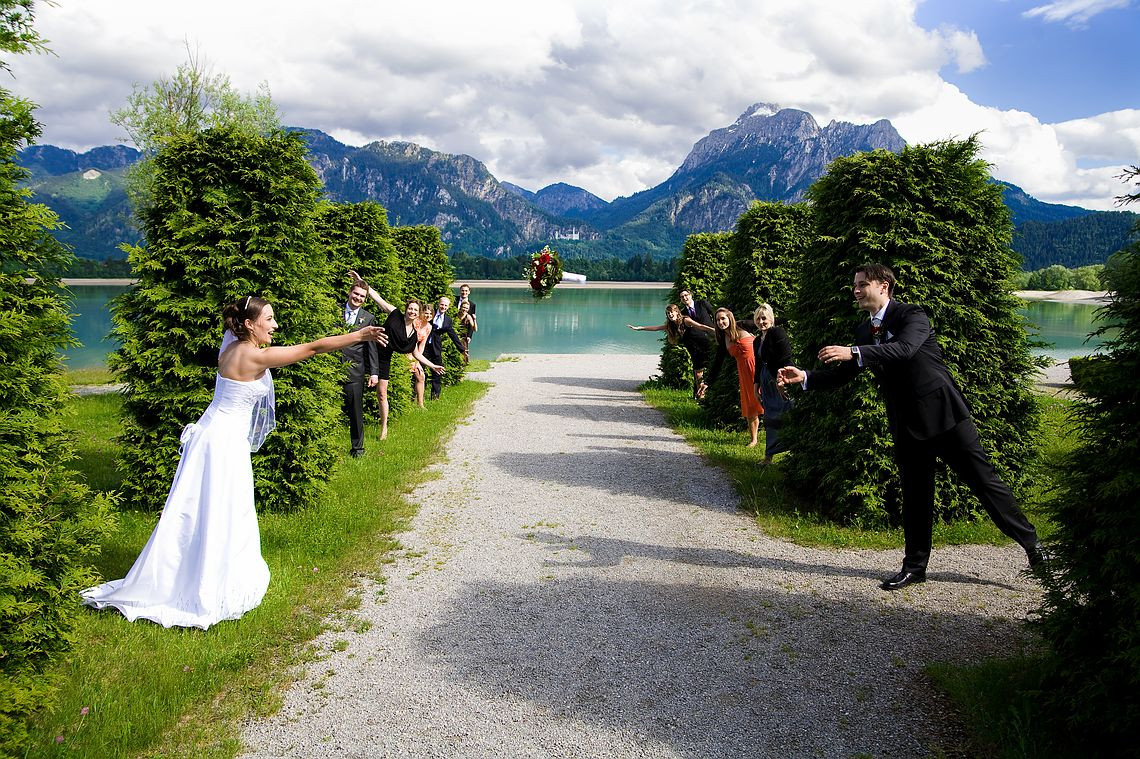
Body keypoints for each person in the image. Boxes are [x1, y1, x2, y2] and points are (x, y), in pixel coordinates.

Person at [81, 295, 387, 629]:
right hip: (224, 443)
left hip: (211, 435)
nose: (275, 325)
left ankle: (192, 571)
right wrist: (359, 335)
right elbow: (312, 348)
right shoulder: (254, 356)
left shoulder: (229, 348)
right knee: (222, 509)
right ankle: (210, 583)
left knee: (199, 509)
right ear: (248, 324)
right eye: (268, 319)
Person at [776, 263, 1047, 590]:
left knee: (984, 482)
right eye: (855, 286)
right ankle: (915, 567)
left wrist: (854, 352)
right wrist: (804, 377)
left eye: (863, 284)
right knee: (917, 496)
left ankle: (1033, 546)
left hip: (945, 416)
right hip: (907, 425)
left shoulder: (911, 315)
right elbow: (843, 374)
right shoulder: (864, 332)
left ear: (884, 287)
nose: (856, 290)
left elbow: (903, 351)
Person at [347, 271, 444, 438]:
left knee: (382, 393)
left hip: (383, 358)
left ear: (418, 313)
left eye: (415, 310)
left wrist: (433, 365)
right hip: (368, 350)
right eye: (410, 308)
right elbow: (379, 300)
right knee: (354, 386)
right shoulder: (395, 315)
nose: (412, 311)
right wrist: (361, 282)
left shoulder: (413, 334)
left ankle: (383, 428)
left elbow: (416, 354)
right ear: (406, 309)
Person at [696, 308, 763, 447]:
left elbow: (766, 323)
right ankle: (754, 439)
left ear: (729, 318)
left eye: (723, 319)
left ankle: (778, 434)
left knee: (769, 401)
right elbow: (717, 364)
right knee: (750, 405)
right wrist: (707, 382)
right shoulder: (723, 340)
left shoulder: (744, 325)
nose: (721, 322)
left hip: (760, 369)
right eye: (718, 320)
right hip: (744, 374)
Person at [628, 304, 710, 397]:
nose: (670, 314)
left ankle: (702, 396)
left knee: (699, 373)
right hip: (693, 350)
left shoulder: (685, 320)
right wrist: (640, 328)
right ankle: (701, 396)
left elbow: (700, 326)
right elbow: (656, 328)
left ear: (676, 312)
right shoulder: (672, 325)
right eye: (668, 313)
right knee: (697, 373)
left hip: (702, 346)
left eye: (671, 312)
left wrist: (714, 331)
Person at [341, 282, 380, 458]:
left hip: (355, 371)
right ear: (350, 293)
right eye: (356, 294)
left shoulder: (368, 318)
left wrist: (374, 372)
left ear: (365, 299)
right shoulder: (334, 311)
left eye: (362, 296)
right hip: (332, 368)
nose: (358, 298)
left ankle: (357, 449)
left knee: (355, 412)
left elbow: (371, 348)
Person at [752, 303, 793, 465]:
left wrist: (782, 380)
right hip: (766, 380)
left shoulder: (777, 332)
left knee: (787, 413)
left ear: (771, 318)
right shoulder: (756, 340)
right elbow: (758, 364)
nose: (761, 321)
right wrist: (755, 386)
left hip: (781, 378)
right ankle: (769, 456)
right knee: (770, 417)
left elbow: (786, 356)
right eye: (758, 319)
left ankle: (794, 450)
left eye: (764, 318)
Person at [424, 295, 468, 400]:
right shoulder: (431, 313)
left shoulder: (448, 320)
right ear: (438, 304)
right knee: (420, 370)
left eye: (445, 305)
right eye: (442, 304)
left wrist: (462, 350)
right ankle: (416, 394)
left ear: (448, 307)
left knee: (437, 371)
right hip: (424, 345)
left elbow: (453, 335)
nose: (443, 307)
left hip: (436, 347)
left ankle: (435, 396)